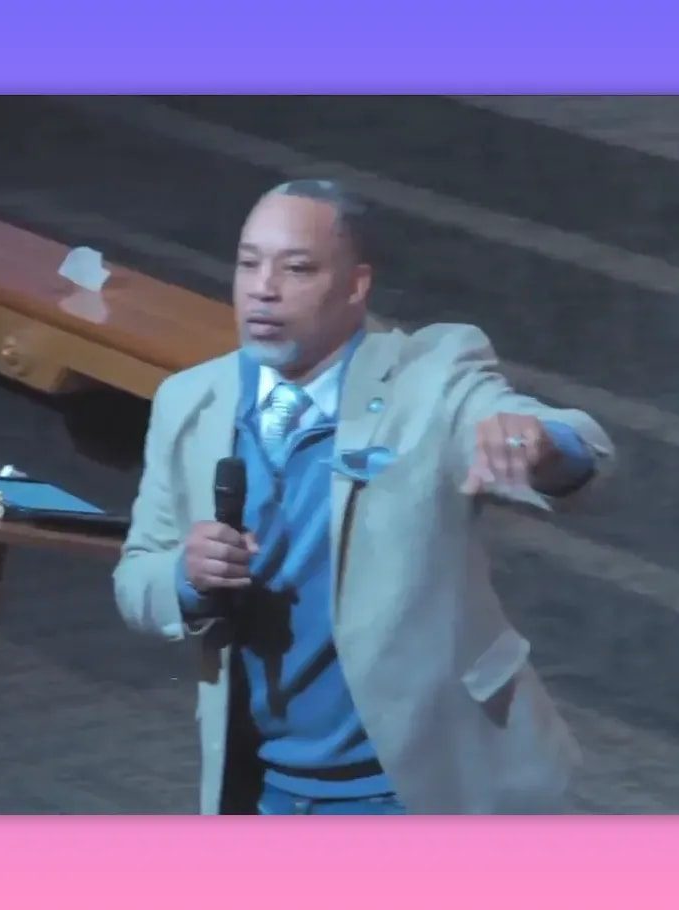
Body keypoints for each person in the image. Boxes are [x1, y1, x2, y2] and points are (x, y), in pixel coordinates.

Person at [112, 179, 615, 815]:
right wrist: (185, 577)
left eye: (296, 269)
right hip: (264, 790)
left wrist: (542, 443)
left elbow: (586, 450)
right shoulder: (190, 402)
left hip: (418, 788)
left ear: (356, 286)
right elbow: (136, 577)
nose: (262, 289)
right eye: (248, 263)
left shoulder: (427, 379)